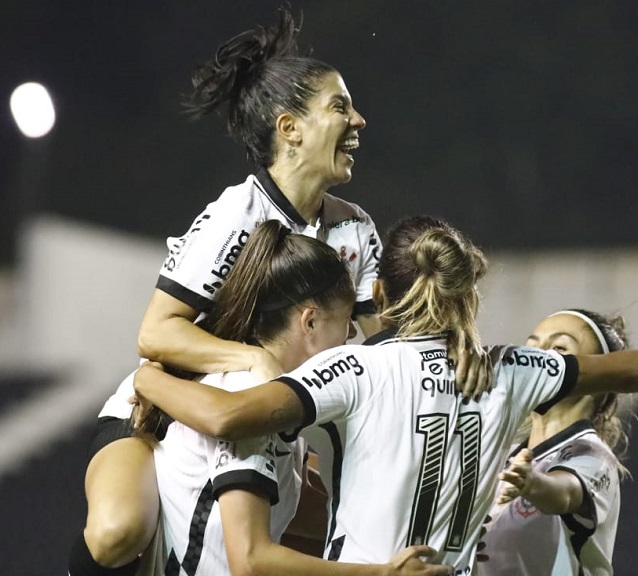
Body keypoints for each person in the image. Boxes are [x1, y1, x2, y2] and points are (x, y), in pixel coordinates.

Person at [132, 215, 638, 574]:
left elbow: (229, 415)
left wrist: (148, 376)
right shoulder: (509, 371)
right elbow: (632, 370)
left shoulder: (355, 368)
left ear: (381, 292)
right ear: (467, 296)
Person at [68, 9, 399, 576]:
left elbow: (385, 350)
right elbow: (157, 333)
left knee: (350, 528)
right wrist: (258, 363)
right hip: (163, 418)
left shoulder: (355, 229)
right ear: (290, 128)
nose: (360, 119)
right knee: (116, 533)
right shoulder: (236, 214)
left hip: (258, 429)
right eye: (340, 106)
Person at [84, 220, 452, 576]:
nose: (351, 332)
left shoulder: (272, 396)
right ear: (309, 321)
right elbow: (251, 561)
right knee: (116, 532)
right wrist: (381, 574)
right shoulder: (246, 393)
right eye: (344, 320)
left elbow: (315, 515)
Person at [479, 309, 633, 576]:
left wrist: (534, 484)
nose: (537, 360)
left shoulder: (593, 457)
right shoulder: (503, 456)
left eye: (559, 348)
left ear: (597, 379)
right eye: (532, 347)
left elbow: (565, 493)